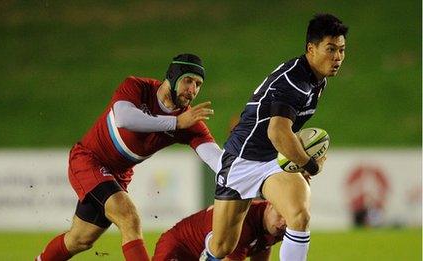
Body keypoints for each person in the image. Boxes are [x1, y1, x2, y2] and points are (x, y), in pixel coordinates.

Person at [35, 53, 222, 261]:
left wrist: (249, 174)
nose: (193, 90)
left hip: (118, 175)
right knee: (129, 217)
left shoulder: (189, 122)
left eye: (198, 84)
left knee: (79, 240)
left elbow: (217, 160)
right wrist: (175, 123)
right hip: (89, 159)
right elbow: (124, 118)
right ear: (172, 77)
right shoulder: (137, 87)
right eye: (188, 81)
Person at [201, 14, 348, 261]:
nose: (337, 58)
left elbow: (281, 135)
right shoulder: (294, 81)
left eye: (342, 50)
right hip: (241, 160)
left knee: (299, 216)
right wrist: (309, 164)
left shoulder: (317, 80)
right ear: (311, 49)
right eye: (330, 49)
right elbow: (277, 132)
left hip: (271, 161)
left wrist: (295, 160)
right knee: (222, 245)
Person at [153, 200, 286, 261]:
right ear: (269, 204)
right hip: (179, 247)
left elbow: (263, 247)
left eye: (288, 220)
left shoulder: (279, 226)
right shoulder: (242, 221)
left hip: (207, 254)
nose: (283, 223)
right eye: (280, 215)